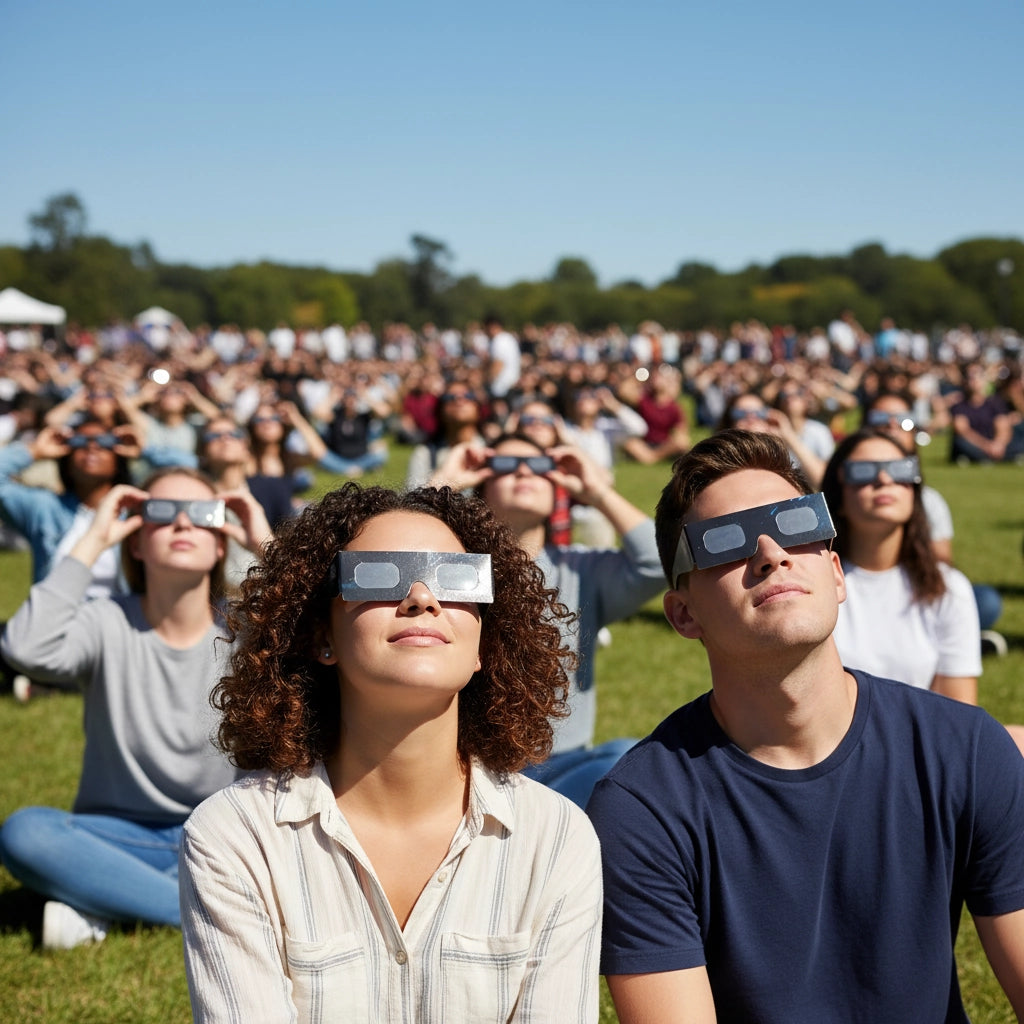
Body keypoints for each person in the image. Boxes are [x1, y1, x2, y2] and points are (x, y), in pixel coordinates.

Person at [587, 429, 1024, 1023]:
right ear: (683, 613)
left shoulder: (965, 749)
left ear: (838, 573)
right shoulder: (643, 811)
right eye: (724, 541)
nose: (771, 551)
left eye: (796, 524)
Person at [178, 484, 601, 1023]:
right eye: (378, 573)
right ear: (321, 637)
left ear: (484, 646)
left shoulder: (558, 838)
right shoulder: (235, 839)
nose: (422, 597)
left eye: (456, 577)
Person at [0, 468, 271, 949]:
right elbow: (24, 647)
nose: (183, 525)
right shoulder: (105, 620)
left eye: (204, 515)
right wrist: (91, 540)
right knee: (26, 834)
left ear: (221, 541)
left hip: (225, 833)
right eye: (161, 514)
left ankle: (102, 903)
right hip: (120, 835)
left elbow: (332, 640)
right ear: (136, 542)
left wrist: (267, 544)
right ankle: (202, 913)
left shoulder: (248, 631)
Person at [431, 434, 665, 807]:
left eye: (540, 467)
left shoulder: (580, 569)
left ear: (556, 488)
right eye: (505, 466)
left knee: (633, 757)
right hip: (469, 768)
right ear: (481, 487)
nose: (524, 470)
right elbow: (386, 556)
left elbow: (662, 561)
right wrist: (442, 484)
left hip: (565, 767)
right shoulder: (453, 570)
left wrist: (598, 492)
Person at [821, 429, 981, 701]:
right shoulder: (814, 584)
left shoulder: (949, 587)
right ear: (839, 496)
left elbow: (958, 714)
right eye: (863, 471)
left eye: (900, 469)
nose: (884, 479)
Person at [861, 390, 1006, 652]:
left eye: (903, 420)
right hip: (858, 594)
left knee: (983, 600)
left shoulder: (929, 501)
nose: (892, 425)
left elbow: (942, 563)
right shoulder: (847, 489)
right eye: (882, 418)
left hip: (914, 591)